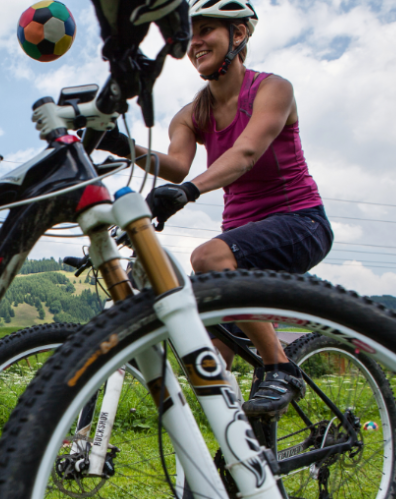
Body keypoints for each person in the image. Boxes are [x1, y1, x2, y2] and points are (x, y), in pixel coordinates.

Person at [138, 0, 333, 418]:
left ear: (238, 35)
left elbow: (245, 152)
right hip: (242, 245)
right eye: (191, 35)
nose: (195, 43)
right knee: (209, 367)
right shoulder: (192, 114)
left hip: (299, 222)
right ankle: (240, 466)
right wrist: (124, 147)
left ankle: (280, 366)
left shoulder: (272, 89)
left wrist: (189, 191)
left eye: (206, 30)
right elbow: (174, 166)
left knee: (207, 257)